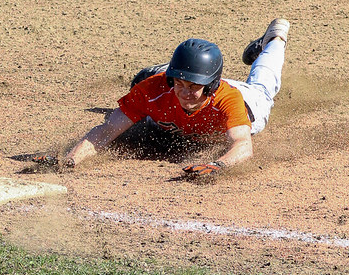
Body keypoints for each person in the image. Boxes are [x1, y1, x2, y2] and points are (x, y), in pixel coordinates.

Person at [64, 19, 290, 176]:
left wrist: (218, 165)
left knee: (264, 86)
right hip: (179, 107)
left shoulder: (229, 100)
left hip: (250, 101)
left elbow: (243, 145)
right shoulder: (155, 89)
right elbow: (107, 130)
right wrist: (71, 159)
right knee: (145, 111)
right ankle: (170, 71)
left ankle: (274, 40)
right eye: (179, 83)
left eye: (193, 86)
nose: (184, 92)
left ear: (210, 86)